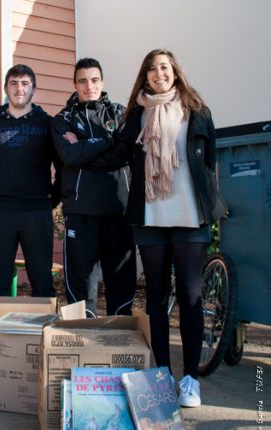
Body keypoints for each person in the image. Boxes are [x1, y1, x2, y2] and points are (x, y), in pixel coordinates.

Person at [116, 49, 227, 408]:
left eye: (163, 67)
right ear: (145, 76)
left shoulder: (197, 111)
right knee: (157, 299)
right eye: (151, 69)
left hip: (190, 217)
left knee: (192, 297)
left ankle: (191, 379)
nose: (158, 73)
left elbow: (209, 160)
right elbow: (118, 152)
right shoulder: (135, 114)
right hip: (151, 219)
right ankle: (162, 374)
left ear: (174, 72)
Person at [50, 58, 136, 316]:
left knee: (120, 280)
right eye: (83, 81)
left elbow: (124, 154)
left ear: (103, 82)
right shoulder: (62, 119)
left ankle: (119, 335)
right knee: (80, 282)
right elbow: (70, 156)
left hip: (118, 210)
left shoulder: (122, 113)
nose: (89, 86)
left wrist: (85, 148)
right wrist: (106, 141)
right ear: (75, 84)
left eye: (94, 80)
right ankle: (83, 335)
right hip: (81, 211)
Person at [0, 64, 61, 298]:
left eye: (25, 83)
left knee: (42, 280)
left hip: (36, 210)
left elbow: (62, 168)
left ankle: (42, 333)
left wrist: (50, 201)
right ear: (5, 88)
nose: (19, 89)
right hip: (0, 212)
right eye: (13, 83)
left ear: (34, 89)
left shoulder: (47, 124)